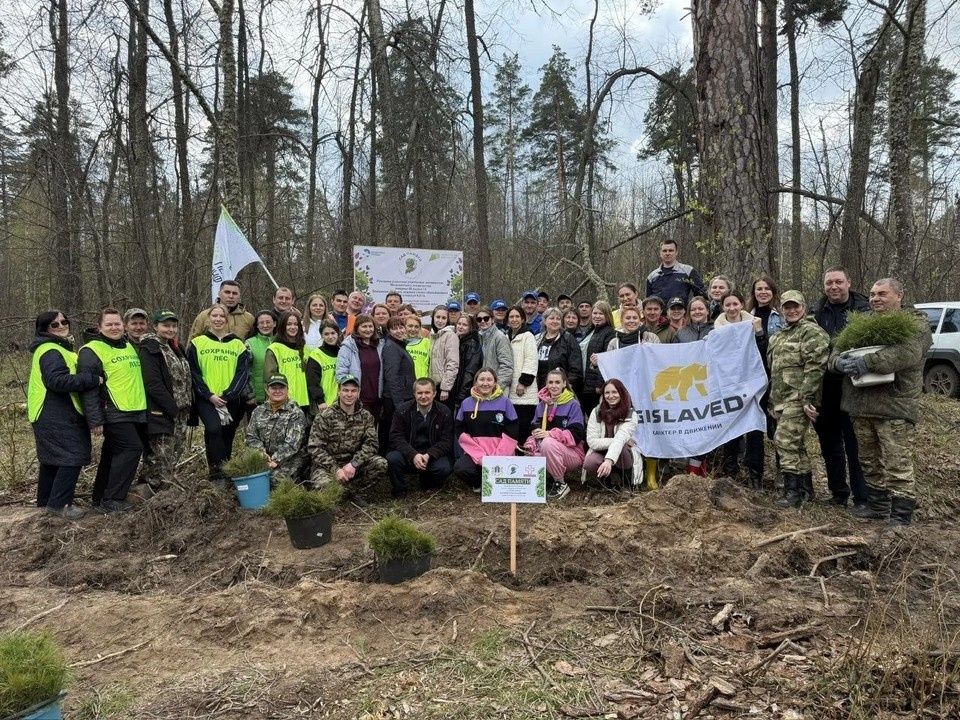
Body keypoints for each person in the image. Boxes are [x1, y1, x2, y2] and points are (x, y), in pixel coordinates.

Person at [831, 278, 932, 527]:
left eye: (882, 294)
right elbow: (836, 348)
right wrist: (837, 362)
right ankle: (877, 506)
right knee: (867, 459)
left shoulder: (915, 324)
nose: (875, 298)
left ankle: (901, 515)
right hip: (861, 405)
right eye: (873, 294)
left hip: (894, 406)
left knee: (897, 462)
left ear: (899, 295)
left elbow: (906, 353)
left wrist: (868, 362)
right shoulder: (862, 322)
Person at [28, 310, 101, 519]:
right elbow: (57, 381)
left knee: (53, 458)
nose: (61, 325)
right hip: (54, 411)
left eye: (64, 321)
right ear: (44, 329)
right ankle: (59, 504)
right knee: (72, 456)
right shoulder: (51, 350)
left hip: (47, 411)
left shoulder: (58, 348)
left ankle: (46, 501)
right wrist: (91, 379)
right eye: (54, 324)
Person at [810, 266, 870, 507]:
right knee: (829, 443)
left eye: (838, 282)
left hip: (855, 386)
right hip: (825, 387)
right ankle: (838, 492)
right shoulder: (816, 312)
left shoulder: (864, 311)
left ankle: (862, 497)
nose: (833, 287)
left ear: (849, 282)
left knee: (855, 445)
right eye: (829, 283)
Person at [79, 308, 148, 512]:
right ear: (99, 327)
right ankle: (113, 499)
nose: (114, 327)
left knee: (111, 454)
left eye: (117, 323)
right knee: (132, 449)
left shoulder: (128, 346)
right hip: (113, 411)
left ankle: (98, 497)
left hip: (135, 410)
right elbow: (88, 389)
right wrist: (95, 420)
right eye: (109, 324)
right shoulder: (91, 350)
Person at [767, 291, 830, 504]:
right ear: (782, 310)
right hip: (781, 399)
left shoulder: (812, 332)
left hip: (800, 398)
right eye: (787, 307)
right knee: (796, 444)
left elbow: (816, 367)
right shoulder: (778, 336)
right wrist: (772, 402)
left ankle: (791, 493)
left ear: (803, 307)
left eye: (795, 307)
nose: (791, 311)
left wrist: (807, 399)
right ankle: (805, 490)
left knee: (784, 441)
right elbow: (774, 372)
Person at [187, 303, 250, 488]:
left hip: (230, 399)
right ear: (209, 318)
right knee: (213, 429)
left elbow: (242, 373)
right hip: (206, 399)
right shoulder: (197, 343)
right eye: (214, 316)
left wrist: (228, 395)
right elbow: (194, 373)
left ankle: (227, 470)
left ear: (227, 319)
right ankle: (217, 474)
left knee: (228, 434)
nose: (218, 319)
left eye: (222, 316)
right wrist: (209, 395)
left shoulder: (238, 344)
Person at [135, 309, 192, 497]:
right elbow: (152, 383)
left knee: (176, 451)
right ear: (155, 326)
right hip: (163, 412)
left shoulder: (176, 347)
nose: (170, 329)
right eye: (166, 325)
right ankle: (150, 492)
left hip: (182, 410)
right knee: (160, 455)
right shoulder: (150, 348)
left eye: (173, 326)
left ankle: (167, 490)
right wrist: (171, 408)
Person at [308, 375, 388, 505]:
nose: (349, 394)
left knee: (380, 464)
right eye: (345, 390)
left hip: (352, 463)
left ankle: (354, 492)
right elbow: (314, 448)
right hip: (328, 465)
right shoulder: (324, 417)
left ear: (358, 392)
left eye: (353, 391)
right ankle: (339, 492)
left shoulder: (366, 417)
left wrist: (354, 464)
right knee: (324, 487)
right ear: (339, 391)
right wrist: (336, 469)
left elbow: (371, 444)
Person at [713, 291, 764, 479]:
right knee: (730, 428)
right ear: (723, 307)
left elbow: (763, 350)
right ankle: (730, 471)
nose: (732, 308)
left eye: (735, 304)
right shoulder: (716, 329)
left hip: (752, 383)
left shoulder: (753, 323)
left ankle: (755, 474)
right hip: (727, 385)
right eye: (728, 305)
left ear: (742, 304)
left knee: (754, 429)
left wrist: (758, 332)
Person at [452, 368, 519, 491]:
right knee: (461, 468)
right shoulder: (466, 403)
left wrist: (497, 457)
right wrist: (480, 456)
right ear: (476, 382)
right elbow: (460, 431)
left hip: (500, 453)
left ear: (495, 382)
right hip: (476, 454)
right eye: (481, 379)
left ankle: (495, 484)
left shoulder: (505, 402)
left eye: (489, 379)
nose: (485, 383)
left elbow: (512, 432)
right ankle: (480, 484)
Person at [387, 378, 454, 499]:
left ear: (434, 393)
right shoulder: (402, 410)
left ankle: (428, 482)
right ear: (414, 394)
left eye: (427, 392)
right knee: (393, 459)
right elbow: (396, 437)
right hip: (409, 454)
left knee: (444, 467)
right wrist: (413, 455)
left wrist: (429, 455)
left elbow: (447, 441)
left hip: (432, 455)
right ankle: (399, 491)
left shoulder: (445, 412)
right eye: (419, 393)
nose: (423, 396)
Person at [523, 368, 585, 500]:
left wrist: (550, 434)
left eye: (557, 382)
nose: (554, 386)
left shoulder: (573, 404)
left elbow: (576, 435)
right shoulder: (541, 405)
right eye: (550, 382)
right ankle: (544, 482)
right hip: (549, 449)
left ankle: (560, 483)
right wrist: (531, 444)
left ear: (564, 384)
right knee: (529, 457)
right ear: (546, 384)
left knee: (547, 443)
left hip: (572, 453)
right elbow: (535, 431)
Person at [246, 374, 308, 485]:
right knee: (246, 475)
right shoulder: (258, 411)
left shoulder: (296, 413)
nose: (277, 391)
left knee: (273, 480)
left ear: (287, 390)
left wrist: (275, 460)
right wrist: (261, 454)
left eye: (281, 388)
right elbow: (251, 437)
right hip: (265, 457)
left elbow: (292, 444)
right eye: (274, 388)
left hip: (291, 458)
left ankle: (298, 486)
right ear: (267, 390)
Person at [676, 297, 714, 475]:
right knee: (693, 427)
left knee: (708, 426)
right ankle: (694, 466)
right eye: (693, 310)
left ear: (707, 310)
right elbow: (671, 357)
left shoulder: (716, 330)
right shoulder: (682, 333)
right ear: (689, 313)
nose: (697, 312)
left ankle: (701, 465)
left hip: (710, 386)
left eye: (701, 309)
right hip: (688, 387)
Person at [583, 378, 639, 488]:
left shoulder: (631, 414)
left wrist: (609, 460)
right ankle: (605, 482)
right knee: (590, 462)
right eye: (607, 393)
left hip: (622, 453)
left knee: (622, 450)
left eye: (614, 392)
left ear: (621, 393)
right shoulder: (596, 412)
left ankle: (626, 482)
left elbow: (621, 436)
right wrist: (620, 441)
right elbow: (592, 441)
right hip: (601, 450)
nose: (611, 396)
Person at [263, 310, 310, 414]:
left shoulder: (306, 348)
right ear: (283, 326)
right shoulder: (274, 349)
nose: (292, 327)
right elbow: (268, 379)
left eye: (295, 324)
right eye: (288, 324)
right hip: (284, 403)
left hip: (305, 401)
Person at [381, 316, 416, 452]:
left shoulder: (399, 345)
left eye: (401, 327)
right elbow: (391, 376)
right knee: (394, 433)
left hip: (404, 397)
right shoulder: (391, 347)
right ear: (389, 331)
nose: (399, 331)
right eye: (394, 328)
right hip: (395, 399)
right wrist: (399, 404)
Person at [505, 305, 539, 444]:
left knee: (524, 425)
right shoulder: (507, 337)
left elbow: (531, 360)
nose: (514, 319)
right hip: (510, 388)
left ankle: (525, 453)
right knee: (513, 424)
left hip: (524, 390)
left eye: (517, 316)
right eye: (511, 317)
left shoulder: (527, 336)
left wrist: (523, 382)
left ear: (523, 319)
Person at [581, 301, 617, 418]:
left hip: (595, 386)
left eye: (600, 314)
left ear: (607, 315)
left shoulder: (609, 333)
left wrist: (600, 385)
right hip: (586, 383)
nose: (597, 316)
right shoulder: (591, 331)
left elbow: (607, 360)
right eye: (595, 313)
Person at [535, 307, 583, 391]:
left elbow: (576, 367)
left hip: (560, 388)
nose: (555, 321)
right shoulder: (537, 339)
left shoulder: (568, 339)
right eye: (552, 318)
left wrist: (568, 385)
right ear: (545, 321)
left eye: (558, 319)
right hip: (538, 388)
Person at [189, 280, 255, 340]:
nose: (231, 296)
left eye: (235, 293)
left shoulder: (249, 319)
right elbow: (193, 343)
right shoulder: (204, 316)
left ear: (239, 296)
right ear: (219, 293)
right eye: (227, 292)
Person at [306, 320, 341, 414]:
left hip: (343, 402)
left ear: (338, 333)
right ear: (321, 336)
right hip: (324, 404)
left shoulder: (343, 352)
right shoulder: (316, 355)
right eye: (326, 334)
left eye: (333, 333)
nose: (330, 337)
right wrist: (320, 400)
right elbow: (312, 381)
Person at [476, 305, 513, 390]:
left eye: (486, 318)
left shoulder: (500, 337)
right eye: (479, 319)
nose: (482, 321)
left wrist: (497, 387)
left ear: (492, 319)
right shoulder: (480, 337)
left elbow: (506, 366)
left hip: (498, 388)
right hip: (484, 386)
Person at [428, 305, 459, 403]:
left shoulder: (450, 336)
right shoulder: (432, 336)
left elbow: (453, 363)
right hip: (433, 386)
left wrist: (445, 388)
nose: (440, 321)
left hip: (444, 387)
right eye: (438, 317)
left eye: (444, 318)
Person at [452, 314, 483, 409]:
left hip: (464, 394)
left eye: (465, 325)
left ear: (471, 327)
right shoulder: (460, 341)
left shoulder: (471, 344)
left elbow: (469, 372)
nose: (461, 327)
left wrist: (461, 397)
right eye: (459, 324)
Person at [246, 311, 276, 404]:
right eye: (261, 323)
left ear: (274, 323)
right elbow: (244, 371)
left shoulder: (282, 341)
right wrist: (249, 395)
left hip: (279, 396)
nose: (265, 325)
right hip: (257, 399)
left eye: (268, 322)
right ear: (257, 325)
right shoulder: (249, 343)